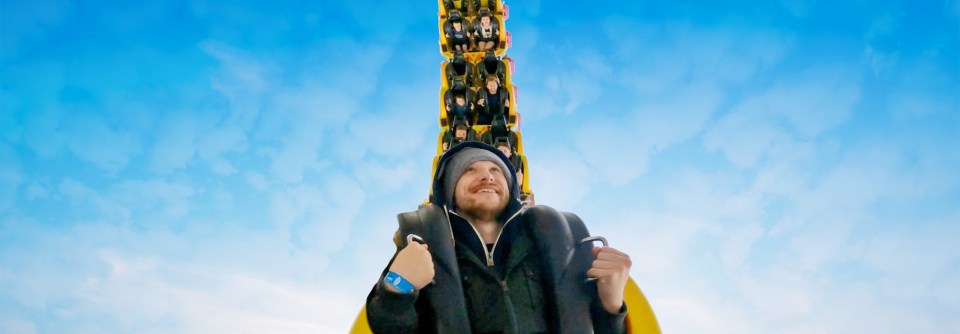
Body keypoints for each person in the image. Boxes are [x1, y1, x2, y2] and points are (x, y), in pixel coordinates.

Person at [366, 141, 631, 333]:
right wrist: (397, 288)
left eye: (496, 171)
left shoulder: (553, 248)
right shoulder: (423, 247)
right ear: (449, 191)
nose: (486, 176)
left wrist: (611, 305)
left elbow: (601, 329)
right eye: (469, 170)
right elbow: (390, 326)